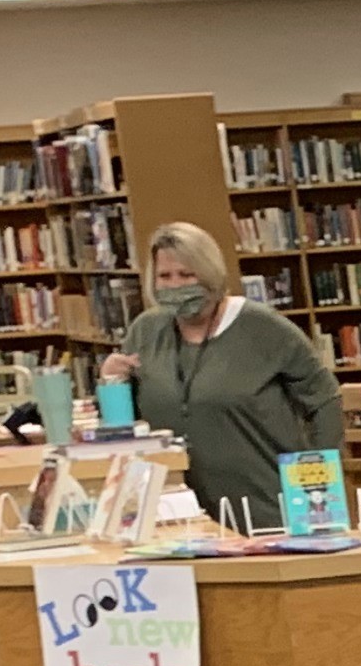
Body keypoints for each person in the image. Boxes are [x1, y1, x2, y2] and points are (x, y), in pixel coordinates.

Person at [100, 222, 340, 531]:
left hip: (264, 509)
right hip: (175, 515)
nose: (175, 286)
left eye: (187, 275)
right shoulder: (145, 331)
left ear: (209, 273)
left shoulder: (264, 329)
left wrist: (315, 484)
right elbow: (124, 425)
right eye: (165, 276)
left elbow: (325, 399)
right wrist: (109, 383)